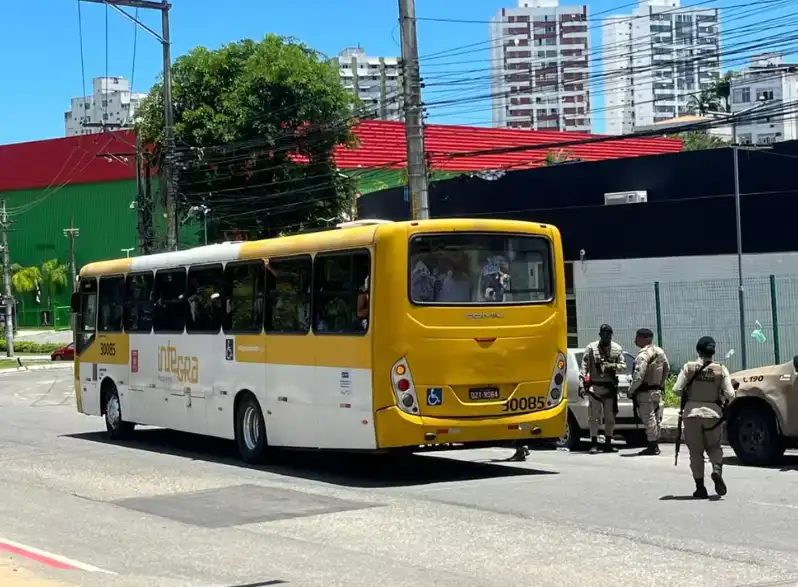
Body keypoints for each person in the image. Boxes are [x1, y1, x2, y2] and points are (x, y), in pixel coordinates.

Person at [672, 336, 735, 498]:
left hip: (691, 414)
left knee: (696, 452)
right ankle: (716, 469)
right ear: (712, 351)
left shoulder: (689, 367)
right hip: (713, 415)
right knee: (714, 447)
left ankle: (700, 488)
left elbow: (676, 389)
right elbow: (730, 394)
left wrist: (689, 394)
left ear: (698, 350)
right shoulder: (721, 369)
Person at [580, 324, 626, 454]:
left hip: (610, 388)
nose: (605, 337)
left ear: (611, 335)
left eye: (608, 335)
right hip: (595, 387)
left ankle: (608, 443)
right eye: (603, 334)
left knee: (610, 418)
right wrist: (581, 383)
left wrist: (611, 366)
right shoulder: (591, 348)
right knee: (594, 417)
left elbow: (623, 366)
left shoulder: (617, 349)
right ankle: (594, 443)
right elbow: (584, 367)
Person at [627, 328, 670, 455]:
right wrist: (660, 384)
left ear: (644, 338)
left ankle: (652, 445)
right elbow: (666, 369)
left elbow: (639, 375)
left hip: (645, 392)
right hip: (656, 390)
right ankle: (654, 442)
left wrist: (632, 390)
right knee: (656, 418)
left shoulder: (643, 355)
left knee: (648, 417)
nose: (635, 340)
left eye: (637, 337)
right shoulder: (660, 352)